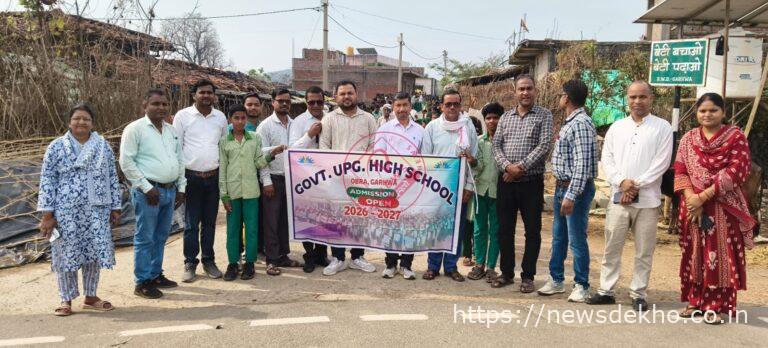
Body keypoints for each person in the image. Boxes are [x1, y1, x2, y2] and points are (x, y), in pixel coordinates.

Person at [586, 81, 673, 312]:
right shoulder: (617, 127)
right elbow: (607, 159)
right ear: (627, 99)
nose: (637, 101)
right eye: (633, 97)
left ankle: (638, 293)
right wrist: (621, 183)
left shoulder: (662, 127)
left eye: (642, 96)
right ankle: (606, 290)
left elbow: (662, 163)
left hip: (648, 201)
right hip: (619, 199)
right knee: (611, 248)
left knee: (644, 251)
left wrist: (635, 186)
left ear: (651, 98)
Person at [674, 93, 754, 324]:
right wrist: (692, 198)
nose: (707, 115)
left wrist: (703, 196)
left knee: (719, 255)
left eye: (713, 110)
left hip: (723, 207)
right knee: (693, 253)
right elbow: (680, 170)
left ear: (723, 112)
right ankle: (695, 301)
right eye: (702, 111)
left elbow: (736, 171)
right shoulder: (689, 138)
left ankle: (715, 307)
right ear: (697, 113)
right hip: (692, 207)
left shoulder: (735, 137)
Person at [39, 104, 121, 316]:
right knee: (65, 253)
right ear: (69, 122)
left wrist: (115, 207)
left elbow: (112, 177)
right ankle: (65, 299)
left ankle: (91, 296)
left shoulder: (102, 146)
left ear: (92, 123)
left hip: (97, 209)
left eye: (86, 119)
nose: (81, 122)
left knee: (94, 251)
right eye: (77, 118)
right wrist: (47, 215)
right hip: (66, 212)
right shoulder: (56, 147)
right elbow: (47, 180)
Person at [121, 90, 186, 299]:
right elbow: (126, 162)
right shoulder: (135, 129)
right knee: (145, 237)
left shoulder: (171, 130)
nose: (161, 108)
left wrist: (181, 187)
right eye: (156, 104)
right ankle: (142, 282)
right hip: (148, 193)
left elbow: (179, 159)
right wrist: (146, 187)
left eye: (164, 104)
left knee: (161, 236)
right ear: (145, 105)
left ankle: (156, 274)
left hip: (169, 190)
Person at [536, 80, 597, 303]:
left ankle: (581, 284)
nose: (559, 98)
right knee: (559, 237)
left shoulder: (581, 123)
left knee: (576, 239)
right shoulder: (570, 122)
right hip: (562, 186)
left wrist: (571, 195)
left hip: (575, 189)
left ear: (567, 98)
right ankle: (556, 279)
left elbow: (582, 165)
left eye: (561, 94)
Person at [491, 75, 553, 292]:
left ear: (535, 90)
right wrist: (508, 167)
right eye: (521, 89)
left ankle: (528, 276)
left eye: (529, 88)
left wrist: (520, 168)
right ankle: (506, 273)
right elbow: (496, 146)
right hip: (506, 182)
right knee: (505, 230)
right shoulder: (505, 117)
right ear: (515, 91)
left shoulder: (544, 115)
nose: (525, 92)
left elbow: (544, 146)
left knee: (532, 231)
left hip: (531, 183)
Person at [220, 105, 286, 281]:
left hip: (251, 192)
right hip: (233, 192)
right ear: (230, 120)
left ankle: (250, 263)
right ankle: (233, 263)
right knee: (233, 230)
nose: (240, 121)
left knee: (251, 230)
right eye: (236, 118)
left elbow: (258, 162)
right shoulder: (224, 141)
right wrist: (224, 195)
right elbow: (223, 170)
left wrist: (271, 155)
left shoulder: (255, 138)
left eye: (243, 118)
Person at [320, 80, 378, 276]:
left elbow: (373, 146)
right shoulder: (328, 119)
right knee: (336, 218)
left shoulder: (368, 119)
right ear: (336, 97)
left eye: (350, 93)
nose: (346, 97)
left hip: (361, 178)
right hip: (336, 178)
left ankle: (357, 257)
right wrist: (338, 169)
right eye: (342, 93)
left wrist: (360, 168)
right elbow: (324, 147)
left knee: (359, 218)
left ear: (356, 94)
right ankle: (338, 258)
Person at [420, 89, 478, 282]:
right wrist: (429, 185)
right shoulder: (432, 127)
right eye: (448, 104)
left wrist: (469, 186)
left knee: (456, 228)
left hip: (460, 186)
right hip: (436, 186)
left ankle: (452, 267)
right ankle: (433, 266)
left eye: (456, 104)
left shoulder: (468, 126)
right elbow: (425, 158)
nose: (452, 107)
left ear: (460, 105)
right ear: (441, 106)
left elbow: (474, 157)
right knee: (436, 226)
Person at [174, 79, 228, 282]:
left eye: (209, 92)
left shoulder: (220, 117)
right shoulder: (183, 116)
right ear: (194, 95)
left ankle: (208, 261)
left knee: (209, 223)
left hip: (213, 178)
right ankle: (190, 262)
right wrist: (180, 182)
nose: (206, 95)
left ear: (214, 96)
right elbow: (177, 149)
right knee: (191, 224)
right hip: (191, 178)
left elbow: (223, 147)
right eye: (202, 92)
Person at [373, 91, 425, 280]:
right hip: (390, 186)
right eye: (398, 106)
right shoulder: (384, 129)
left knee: (410, 225)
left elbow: (425, 158)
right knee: (390, 225)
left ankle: (406, 265)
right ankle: (390, 264)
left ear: (410, 106)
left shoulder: (420, 131)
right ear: (393, 108)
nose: (402, 109)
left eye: (405, 105)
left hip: (412, 186)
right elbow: (378, 157)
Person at [257, 88, 304, 276]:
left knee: (285, 220)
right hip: (273, 179)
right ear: (272, 102)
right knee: (271, 221)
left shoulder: (294, 124)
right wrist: (266, 181)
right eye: (280, 101)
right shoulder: (265, 126)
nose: (284, 104)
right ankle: (271, 259)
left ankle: (284, 255)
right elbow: (260, 156)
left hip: (291, 179)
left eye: (287, 101)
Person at [288, 86, 330, 273]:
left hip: (327, 175)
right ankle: (309, 256)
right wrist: (309, 135)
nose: (315, 105)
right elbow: (292, 148)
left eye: (319, 101)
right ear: (306, 102)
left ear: (324, 101)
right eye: (311, 102)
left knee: (325, 215)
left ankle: (322, 254)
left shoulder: (330, 119)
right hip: (305, 177)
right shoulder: (298, 122)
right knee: (307, 216)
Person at [466, 103, 503, 283]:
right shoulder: (480, 142)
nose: (492, 121)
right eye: (488, 118)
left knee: (495, 230)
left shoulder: (506, 141)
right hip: (480, 190)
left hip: (499, 192)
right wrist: (473, 161)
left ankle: (491, 266)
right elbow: (478, 166)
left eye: (495, 117)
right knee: (480, 229)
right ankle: (479, 263)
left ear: (501, 119)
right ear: (485, 120)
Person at [462, 116, 484, 268]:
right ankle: (467, 253)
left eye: (476, 130)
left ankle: (477, 253)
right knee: (467, 222)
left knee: (478, 223)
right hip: (465, 188)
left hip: (479, 188)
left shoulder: (481, 142)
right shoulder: (462, 144)